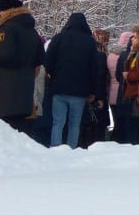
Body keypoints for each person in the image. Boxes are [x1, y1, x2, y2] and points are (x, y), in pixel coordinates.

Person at [43, 13, 105, 148]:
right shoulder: (89, 42)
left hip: (59, 88)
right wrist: (93, 91)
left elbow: (47, 62)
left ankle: (55, 148)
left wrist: (54, 75)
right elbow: (94, 69)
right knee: (74, 124)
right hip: (80, 91)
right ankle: (71, 149)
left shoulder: (58, 39)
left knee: (57, 123)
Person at [0, 0, 45, 134]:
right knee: (21, 132)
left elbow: (4, 55)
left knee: (6, 132)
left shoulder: (7, 29)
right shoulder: (32, 31)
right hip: (26, 91)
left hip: (8, 90)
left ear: (7, 11)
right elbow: (40, 58)